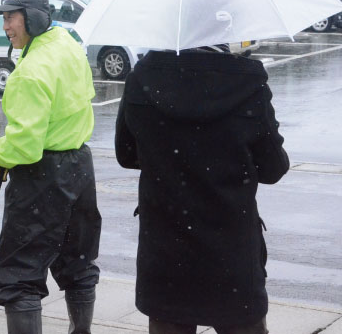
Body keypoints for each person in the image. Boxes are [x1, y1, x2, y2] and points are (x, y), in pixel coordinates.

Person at [115, 45, 290, 334]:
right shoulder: (247, 83)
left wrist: (167, 160)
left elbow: (126, 154)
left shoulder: (141, 78)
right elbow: (273, 169)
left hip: (165, 247)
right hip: (231, 248)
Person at [0, 0, 101, 334]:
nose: (5, 26)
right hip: (80, 166)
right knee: (78, 263)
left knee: (20, 275)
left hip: (41, 176)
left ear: (32, 19)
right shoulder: (67, 45)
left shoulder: (30, 72)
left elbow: (27, 146)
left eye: (11, 17)